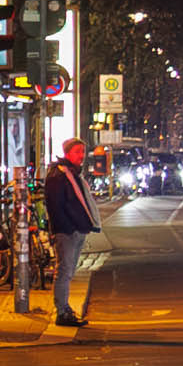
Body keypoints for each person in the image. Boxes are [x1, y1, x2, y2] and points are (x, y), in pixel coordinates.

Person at [44, 136, 103, 327]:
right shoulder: (59, 175)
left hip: (76, 229)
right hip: (68, 231)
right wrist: (68, 228)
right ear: (67, 153)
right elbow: (55, 206)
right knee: (64, 271)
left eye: (83, 152)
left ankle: (65, 309)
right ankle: (62, 312)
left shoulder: (72, 173)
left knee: (68, 271)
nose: (81, 156)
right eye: (77, 152)